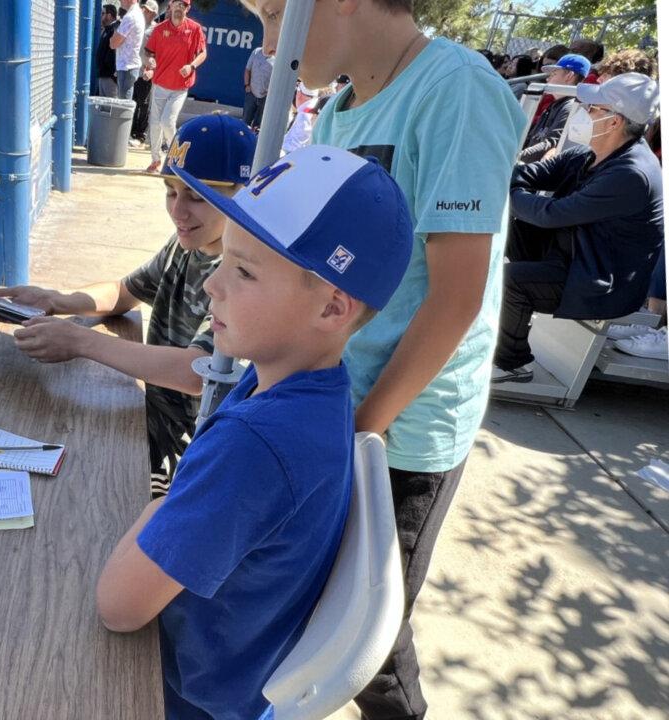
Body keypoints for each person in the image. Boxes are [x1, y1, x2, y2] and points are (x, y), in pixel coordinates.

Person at [240, 0, 526, 718]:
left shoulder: (456, 89)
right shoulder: (339, 112)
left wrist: (365, 427)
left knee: (368, 638)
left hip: (402, 429)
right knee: (312, 602)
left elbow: (456, 297)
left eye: (277, 15)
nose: (272, 45)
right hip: (339, 407)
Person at [96, 144, 414, 719]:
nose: (212, 286)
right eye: (224, 260)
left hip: (181, 694)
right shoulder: (310, 388)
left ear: (332, 308)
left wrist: (161, 510)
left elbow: (118, 607)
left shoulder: (258, 445)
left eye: (243, 271)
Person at [0, 115, 256, 497]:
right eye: (171, 191)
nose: (178, 211)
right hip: (151, 422)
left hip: (189, 461)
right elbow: (125, 290)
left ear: (244, 193)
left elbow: (197, 373)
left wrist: (82, 343)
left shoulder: (243, 274)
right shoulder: (187, 244)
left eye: (198, 197)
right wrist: (58, 300)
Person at [493, 73, 663, 382]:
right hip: (575, 254)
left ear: (614, 121)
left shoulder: (632, 173)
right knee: (511, 224)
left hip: (599, 279)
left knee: (508, 280)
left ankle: (512, 364)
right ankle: (505, 320)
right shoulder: (589, 153)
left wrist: (508, 192)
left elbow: (549, 214)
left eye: (594, 108)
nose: (583, 111)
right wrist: (509, 186)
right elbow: (529, 175)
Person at [143, 0, 207, 173]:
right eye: (177, 4)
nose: (180, 8)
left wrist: (191, 66)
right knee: (155, 123)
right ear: (170, 6)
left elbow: (202, 53)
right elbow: (148, 52)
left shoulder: (194, 29)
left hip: (180, 86)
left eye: (184, 5)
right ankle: (156, 160)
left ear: (188, 8)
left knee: (167, 121)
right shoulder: (159, 29)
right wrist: (149, 63)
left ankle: (179, 158)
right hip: (160, 83)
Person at [519, 53, 590, 163]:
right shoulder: (555, 104)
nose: (548, 79)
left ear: (569, 76)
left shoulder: (570, 106)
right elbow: (532, 136)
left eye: (554, 74)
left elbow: (553, 142)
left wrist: (518, 156)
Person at [131, 0, 160, 143]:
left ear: (154, 13)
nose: (145, 12)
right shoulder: (137, 24)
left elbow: (159, 54)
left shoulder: (156, 30)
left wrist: (152, 71)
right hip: (133, 69)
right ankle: (129, 132)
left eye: (148, 10)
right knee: (132, 101)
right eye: (144, 9)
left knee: (143, 104)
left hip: (145, 72)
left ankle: (140, 134)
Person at [110, 0, 145, 100]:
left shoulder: (130, 17)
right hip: (128, 66)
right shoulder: (136, 14)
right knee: (124, 104)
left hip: (127, 67)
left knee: (124, 107)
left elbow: (113, 43)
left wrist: (114, 36)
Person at [243, 45, 274, 130]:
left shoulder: (277, 58)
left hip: (265, 97)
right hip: (251, 93)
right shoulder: (256, 51)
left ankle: (254, 142)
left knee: (258, 126)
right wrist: (246, 85)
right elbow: (247, 70)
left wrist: (269, 93)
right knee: (245, 122)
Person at [95, 4, 120, 98]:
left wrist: (113, 76)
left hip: (110, 78)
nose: (101, 16)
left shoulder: (115, 29)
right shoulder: (107, 30)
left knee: (110, 108)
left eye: (103, 13)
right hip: (103, 75)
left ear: (109, 15)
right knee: (103, 109)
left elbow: (114, 53)